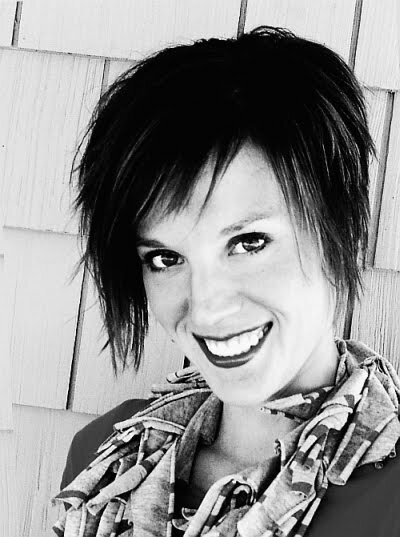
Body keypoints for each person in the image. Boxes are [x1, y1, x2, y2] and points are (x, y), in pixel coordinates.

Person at [52, 26, 400, 537]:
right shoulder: (105, 459)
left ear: (340, 233)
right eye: (166, 258)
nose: (206, 308)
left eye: (249, 242)